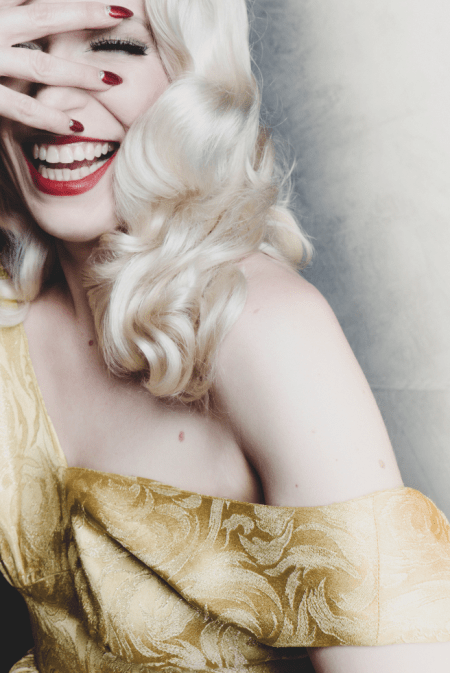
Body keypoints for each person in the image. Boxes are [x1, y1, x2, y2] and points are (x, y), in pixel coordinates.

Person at [0, 0, 450, 671]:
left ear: (194, 72)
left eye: (115, 45)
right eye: (26, 50)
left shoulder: (269, 331)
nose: (50, 98)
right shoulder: (15, 311)